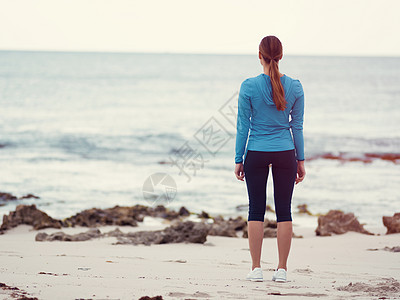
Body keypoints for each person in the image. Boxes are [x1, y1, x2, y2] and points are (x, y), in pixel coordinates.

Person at [234, 35, 306, 283]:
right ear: (281, 56)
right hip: (286, 152)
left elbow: (243, 126)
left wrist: (238, 158)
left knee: (255, 210)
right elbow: (297, 126)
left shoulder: (248, 86)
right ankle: (282, 270)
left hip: (256, 152)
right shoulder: (295, 87)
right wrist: (301, 160)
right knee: (284, 211)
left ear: (259, 56)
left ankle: (256, 269)